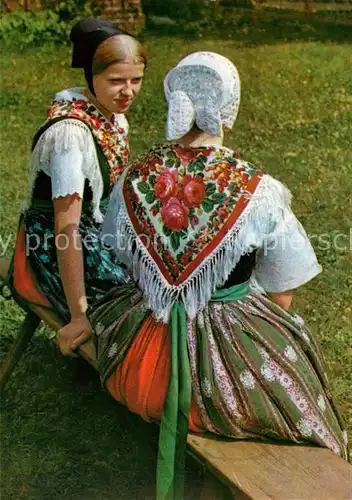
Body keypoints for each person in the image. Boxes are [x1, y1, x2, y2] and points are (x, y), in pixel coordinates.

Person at [90, 52, 348, 498]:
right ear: (230, 106)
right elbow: (283, 289)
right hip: (213, 386)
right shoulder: (257, 190)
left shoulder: (135, 178)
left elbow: (121, 256)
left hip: (139, 364)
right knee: (296, 374)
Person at [10, 18, 146, 357]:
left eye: (136, 80)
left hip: (94, 228)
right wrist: (79, 316)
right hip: (54, 243)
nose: (128, 91)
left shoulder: (110, 116)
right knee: (132, 301)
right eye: (116, 81)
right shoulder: (70, 135)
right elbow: (65, 227)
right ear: (90, 76)